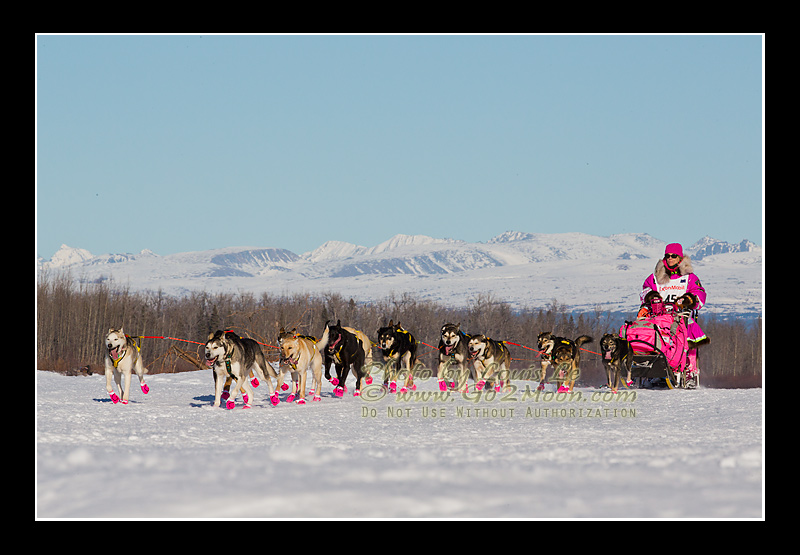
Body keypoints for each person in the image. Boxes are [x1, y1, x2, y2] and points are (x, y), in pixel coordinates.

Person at [641, 243, 708, 385]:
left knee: (688, 334)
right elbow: (645, 290)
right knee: (650, 334)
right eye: (667, 256)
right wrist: (651, 296)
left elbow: (699, 293)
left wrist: (689, 299)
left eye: (673, 256)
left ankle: (690, 371)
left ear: (680, 258)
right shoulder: (655, 277)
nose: (670, 258)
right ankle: (654, 371)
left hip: (680, 315)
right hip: (658, 316)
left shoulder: (689, 277)